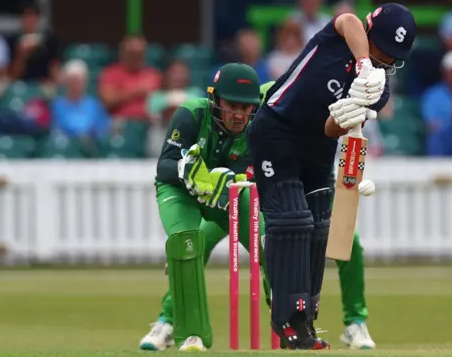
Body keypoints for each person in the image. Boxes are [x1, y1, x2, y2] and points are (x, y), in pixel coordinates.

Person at [138, 81, 377, 352]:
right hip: (241, 197)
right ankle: (168, 321)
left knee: (348, 240)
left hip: (294, 197)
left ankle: (352, 322)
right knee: (194, 244)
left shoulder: (317, 114)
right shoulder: (269, 104)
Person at [247, 3, 416, 350]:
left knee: (319, 225)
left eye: (389, 57)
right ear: (371, 35)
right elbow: (348, 20)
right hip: (277, 129)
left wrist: (352, 106)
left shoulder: (378, 90)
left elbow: (330, 130)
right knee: (292, 220)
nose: (384, 60)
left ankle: (305, 316)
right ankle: (286, 317)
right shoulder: (340, 38)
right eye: (381, 49)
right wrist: (365, 65)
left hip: (317, 145)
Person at [139, 63, 262, 352]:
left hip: (227, 198)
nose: (239, 115)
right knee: (187, 244)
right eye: (232, 105)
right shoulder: (192, 113)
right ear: (215, 99)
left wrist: (231, 180)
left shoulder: (259, 127)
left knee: (268, 243)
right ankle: (180, 329)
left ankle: (293, 326)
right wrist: (190, 172)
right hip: (182, 192)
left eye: (246, 108)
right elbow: (164, 166)